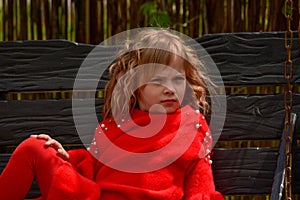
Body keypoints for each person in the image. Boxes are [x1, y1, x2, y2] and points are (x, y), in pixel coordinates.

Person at [0, 28, 224, 200]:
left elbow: (201, 187)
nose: (170, 88)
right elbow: (92, 169)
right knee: (35, 147)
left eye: (177, 79)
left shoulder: (191, 126)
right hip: (94, 196)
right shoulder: (115, 126)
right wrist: (66, 157)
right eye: (157, 80)